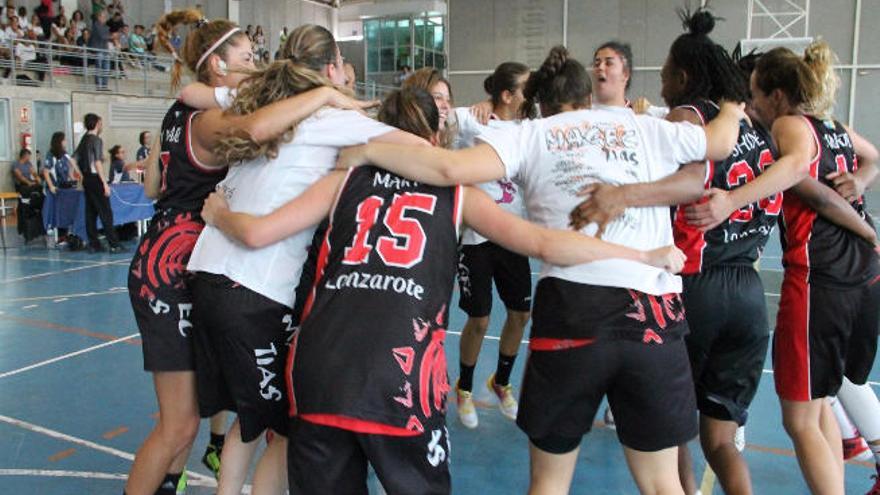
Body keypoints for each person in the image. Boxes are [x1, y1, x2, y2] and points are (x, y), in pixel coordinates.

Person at [198, 86, 684, 494]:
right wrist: (643, 257)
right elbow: (546, 243)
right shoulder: (457, 193)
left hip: (321, 367)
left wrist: (218, 213)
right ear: (435, 136)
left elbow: (258, 233)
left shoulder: (342, 182)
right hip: (400, 376)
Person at [336, 45, 747, 494]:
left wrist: (368, 150)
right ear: (585, 95)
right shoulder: (645, 126)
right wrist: (731, 103)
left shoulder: (528, 134)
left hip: (573, 311)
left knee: (549, 485)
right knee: (664, 485)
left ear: (541, 102)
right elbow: (721, 142)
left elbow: (449, 166)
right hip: (650, 312)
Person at [123, 10, 373, 495]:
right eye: (247, 56)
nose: (256, 63)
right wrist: (323, 95)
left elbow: (153, 186)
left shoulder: (182, 112)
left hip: (171, 248)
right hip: (172, 264)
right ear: (218, 65)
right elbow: (258, 131)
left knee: (190, 421)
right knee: (177, 424)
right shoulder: (220, 117)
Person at [568, 9, 804, 495]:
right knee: (721, 443)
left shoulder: (689, 119)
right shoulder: (751, 125)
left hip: (695, 287)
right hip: (748, 295)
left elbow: (680, 181)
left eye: (668, 71)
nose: (663, 80)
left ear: (684, 75)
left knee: (671, 435)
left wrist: (621, 193)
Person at [184, 23, 408, 495]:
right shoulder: (332, 119)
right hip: (251, 290)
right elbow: (422, 148)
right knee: (285, 431)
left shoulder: (265, 108)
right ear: (331, 69)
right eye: (345, 67)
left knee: (248, 424)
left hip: (207, 279)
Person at [716, 42, 878, 495]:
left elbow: (815, 191)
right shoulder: (833, 126)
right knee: (819, 404)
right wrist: (861, 182)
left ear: (778, 96)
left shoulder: (789, 125)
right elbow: (873, 157)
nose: (751, 104)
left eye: (755, 94)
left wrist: (731, 199)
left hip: (820, 276)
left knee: (799, 417)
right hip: (858, 274)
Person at [447, 61, 533, 429]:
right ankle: (464, 388)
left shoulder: (530, 127)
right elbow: (438, 118)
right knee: (479, 319)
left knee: (520, 315)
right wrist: (471, 109)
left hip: (512, 234)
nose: (531, 96)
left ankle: (500, 381)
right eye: (525, 89)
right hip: (477, 238)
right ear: (506, 95)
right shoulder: (473, 120)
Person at [74, 113, 122, 253]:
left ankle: (94, 243)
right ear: (96, 124)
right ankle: (114, 244)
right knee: (105, 212)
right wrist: (104, 183)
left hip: (87, 179)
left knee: (91, 212)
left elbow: (72, 159)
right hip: (95, 178)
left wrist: (81, 174)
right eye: (100, 123)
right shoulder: (96, 140)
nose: (101, 126)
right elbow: (97, 162)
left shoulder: (83, 140)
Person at [42, 131, 81, 247]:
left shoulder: (65, 154)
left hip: (65, 187)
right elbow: (46, 172)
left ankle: (67, 233)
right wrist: (51, 186)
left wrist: (76, 176)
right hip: (54, 189)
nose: (66, 142)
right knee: (56, 210)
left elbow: (71, 167)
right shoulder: (51, 155)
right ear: (59, 141)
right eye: (64, 140)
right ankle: (54, 233)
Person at [12, 147, 46, 242]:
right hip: (22, 185)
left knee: (40, 188)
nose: (30, 158)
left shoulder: (28, 164)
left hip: (30, 184)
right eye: (29, 156)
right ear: (24, 155)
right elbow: (20, 176)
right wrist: (28, 183)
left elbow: (34, 173)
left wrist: (37, 178)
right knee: (28, 190)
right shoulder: (16, 165)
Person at [88, 9, 110, 90]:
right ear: (99, 17)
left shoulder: (106, 27)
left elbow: (106, 39)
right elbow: (103, 36)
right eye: (103, 16)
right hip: (98, 49)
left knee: (106, 69)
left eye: (105, 17)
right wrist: (112, 36)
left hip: (105, 49)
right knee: (99, 67)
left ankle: (104, 86)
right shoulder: (96, 25)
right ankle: (98, 85)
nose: (104, 18)